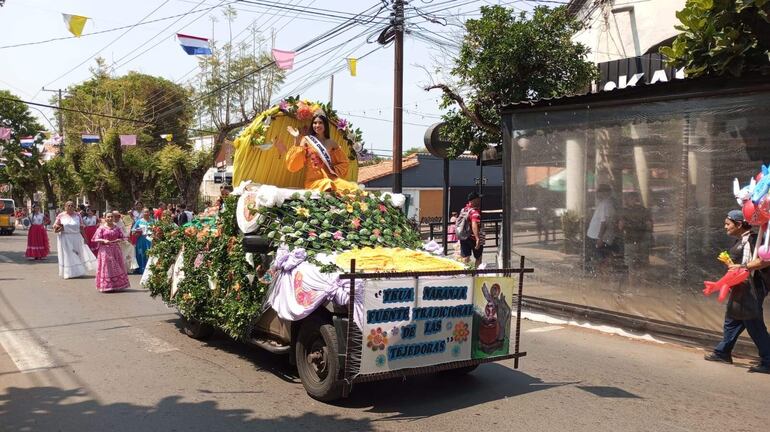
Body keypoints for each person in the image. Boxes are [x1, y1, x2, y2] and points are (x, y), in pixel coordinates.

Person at [704, 210, 770, 374]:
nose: (725, 227)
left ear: (739, 224)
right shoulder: (742, 240)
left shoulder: (753, 240)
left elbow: (764, 260)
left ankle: (769, 360)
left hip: (751, 287)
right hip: (742, 286)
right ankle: (723, 352)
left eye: (728, 224)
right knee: (733, 319)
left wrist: (742, 267)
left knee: (753, 323)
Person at [285, 112, 358, 192]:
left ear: (325, 125)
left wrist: (333, 170)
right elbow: (293, 164)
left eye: (320, 123)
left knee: (352, 188)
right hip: (314, 181)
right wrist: (296, 139)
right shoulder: (306, 140)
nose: (317, 125)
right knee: (328, 184)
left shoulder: (332, 143)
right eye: (315, 123)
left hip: (331, 178)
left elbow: (344, 163)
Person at [53, 201, 96, 279]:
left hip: (76, 237)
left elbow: (81, 227)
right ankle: (68, 273)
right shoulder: (61, 215)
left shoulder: (78, 215)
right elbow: (55, 225)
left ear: (74, 207)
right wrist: (57, 227)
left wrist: (85, 238)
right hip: (65, 238)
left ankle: (78, 271)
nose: (70, 207)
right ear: (65, 207)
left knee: (77, 254)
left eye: (72, 205)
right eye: (68, 205)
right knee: (68, 255)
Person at [92, 212, 130, 293]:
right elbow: (95, 239)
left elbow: (123, 237)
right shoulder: (101, 228)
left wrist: (119, 239)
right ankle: (106, 285)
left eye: (111, 217)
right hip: (105, 250)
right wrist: (103, 240)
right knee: (107, 267)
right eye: (108, 217)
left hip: (116, 249)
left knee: (117, 267)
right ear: (105, 218)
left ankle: (117, 285)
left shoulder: (117, 228)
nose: (110, 218)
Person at [587, 184, 617, 270]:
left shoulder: (606, 204)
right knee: (602, 260)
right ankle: (604, 277)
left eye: (598, 192)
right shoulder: (604, 203)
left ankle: (604, 279)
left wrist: (600, 238)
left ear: (605, 193)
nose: (597, 194)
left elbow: (604, 222)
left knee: (602, 261)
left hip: (599, 237)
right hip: (597, 236)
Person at [620, 192, 653, 270]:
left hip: (630, 240)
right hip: (642, 240)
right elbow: (649, 226)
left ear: (626, 200)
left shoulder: (624, 211)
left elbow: (620, 226)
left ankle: (633, 282)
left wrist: (629, 225)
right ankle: (642, 281)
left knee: (631, 267)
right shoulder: (643, 210)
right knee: (643, 264)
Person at [458, 192, 484, 268]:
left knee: (466, 257)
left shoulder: (464, 210)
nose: (479, 200)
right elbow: (474, 224)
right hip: (473, 237)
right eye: (478, 199)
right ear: (474, 200)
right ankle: (475, 274)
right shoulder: (474, 212)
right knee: (478, 257)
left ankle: (466, 274)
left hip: (464, 237)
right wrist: (477, 238)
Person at [132, 208, 153, 275]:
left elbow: (157, 230)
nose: (146, 213)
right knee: (141, 254)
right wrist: (137, 233)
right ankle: (141, 269)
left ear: (149, 213)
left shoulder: (153, 221)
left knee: (150, 254)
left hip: (150, 240)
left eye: (147, 212)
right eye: (145, 212)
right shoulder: (138, 221)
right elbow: (133, 231)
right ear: (142, 213)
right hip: (141, 240)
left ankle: (150, 269)